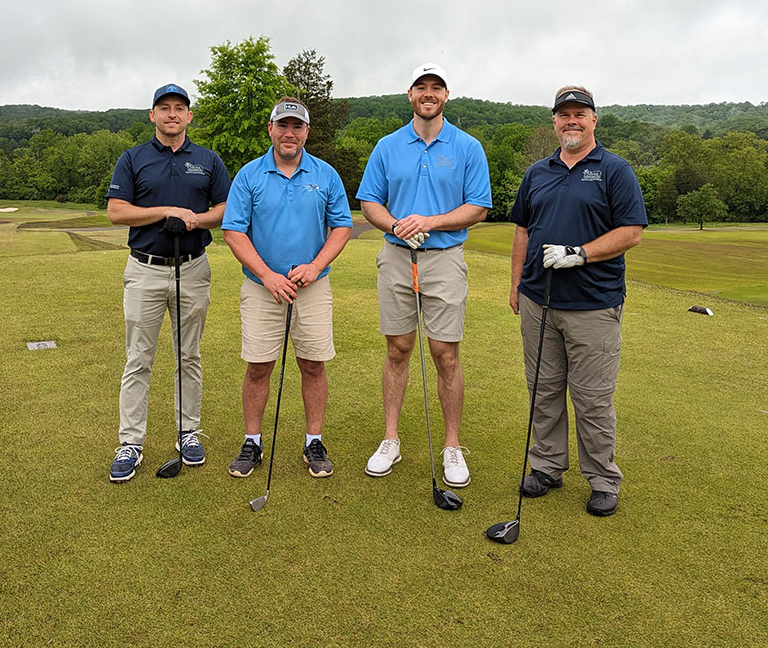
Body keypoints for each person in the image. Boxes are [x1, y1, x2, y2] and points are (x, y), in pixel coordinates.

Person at [509, 85, 647, 516]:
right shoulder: (538, 172)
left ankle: (603, 479)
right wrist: (516, 284)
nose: (572, 121)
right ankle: (547, 466)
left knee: (592, 397)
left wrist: (580, 253)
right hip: (538, 301)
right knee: (543, 389)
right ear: (554, 121)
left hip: (593, 303)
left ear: (594, 120)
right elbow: (522, 230)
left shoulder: (614, 170)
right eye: (564, 114)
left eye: (579, 114)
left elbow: (632, 232)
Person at [356, 63, 491, 488]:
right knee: (397, 349)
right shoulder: (388, 145)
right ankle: (390, 439)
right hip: (397, 255)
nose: (428, 94)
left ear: (446, 96)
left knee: (445, 353)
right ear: (410, 95)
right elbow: (370, 203)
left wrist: (429, 222)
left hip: (444, 258)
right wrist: (396, 225)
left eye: (437, 87)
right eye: (421, 87)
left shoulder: (467, 146)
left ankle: (452, 446)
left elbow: (478, 207)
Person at [106, 83, 231, 482]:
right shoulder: (133, 158)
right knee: (138, 358)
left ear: (189, 116)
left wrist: (194, 218)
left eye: (180, 108)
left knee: (188, 356)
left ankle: (188, 432)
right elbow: (116, 211)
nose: (172, 114)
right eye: (165, 108)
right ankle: (131, 442)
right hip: (144, 269)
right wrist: (166, 211)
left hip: (193, 268)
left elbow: (226, 210)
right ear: (153, 115)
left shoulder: (208, 160)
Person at [222, 97, 352, 479]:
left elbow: (341, 226)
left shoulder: (325, 174)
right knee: (259, 365)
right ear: (271, 129)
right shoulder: (249, 175)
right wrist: (267, 275)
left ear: (307, 132)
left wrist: (315, 266)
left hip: (311, 286)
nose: (289, 133)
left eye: (297, 127)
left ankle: (314, 441)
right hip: (263, 286)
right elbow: (233, 231)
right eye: (283, 125)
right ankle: (253, 442)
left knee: (312, 364)